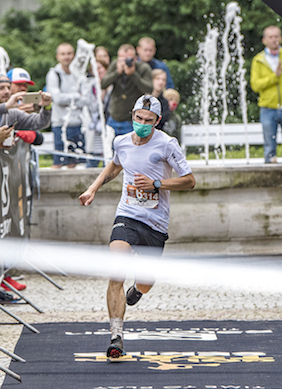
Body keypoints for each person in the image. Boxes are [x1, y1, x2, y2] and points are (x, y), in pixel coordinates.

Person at [78, 95, 195, 360]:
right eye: (138, 118)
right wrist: (93, 188)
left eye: (148, 120)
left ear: (157, 121)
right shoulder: (121, 141)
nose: (142, 123)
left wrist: (157, 184)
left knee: (146, 281)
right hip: (128, 213)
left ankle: (137, 290)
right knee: (116, 268)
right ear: (132, 115)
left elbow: (189, 181)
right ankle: (116, 336)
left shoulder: (167, 144)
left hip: (155, 221)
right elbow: (115, 165)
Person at [250, 25, 282, 164]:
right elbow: (255, 85)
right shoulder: (258, 60)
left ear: (280, 38)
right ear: (264, 40)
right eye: (270, 37)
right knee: (269, 148)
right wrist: (275, 77)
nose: (274, 39)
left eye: (276, 36)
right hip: (268, 108)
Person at [46, 43, 93, 168]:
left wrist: (67, 98)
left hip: (78, 124)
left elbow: (87, 100)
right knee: (58, 163)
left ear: (73, 55)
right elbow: (57, 99)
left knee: (76, 164)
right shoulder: (54, 74)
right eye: (63, 54)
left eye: (69, 53)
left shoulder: (80, 74)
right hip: (60, 124)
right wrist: (77, 96)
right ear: (57, 56)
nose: (66, 57)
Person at [101, 44, 153, 139]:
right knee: (109, 146)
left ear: (135, 58)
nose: (125, 62)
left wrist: (133, 74)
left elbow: (149, 89)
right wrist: (117, 72)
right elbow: (103, 84)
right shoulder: (115, 65)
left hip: (132, 120)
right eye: (122, 59)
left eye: (129, 59)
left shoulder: (143, 68)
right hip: (114, 117)